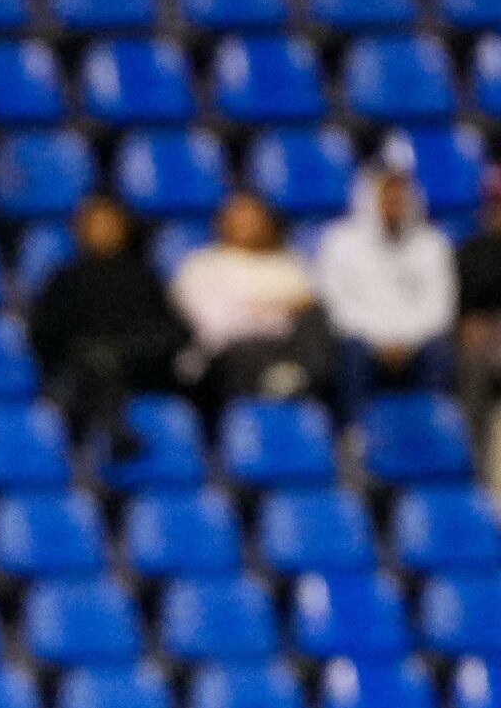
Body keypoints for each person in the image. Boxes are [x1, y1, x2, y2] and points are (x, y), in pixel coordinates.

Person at [30, 193, 190, 461]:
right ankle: (115, 432)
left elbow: (174, 331)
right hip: (79, 371)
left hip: (137, 367)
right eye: (95, 224)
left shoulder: (144, 277)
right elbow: (43, 335)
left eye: (109, 223)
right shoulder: (64, 279)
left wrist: (127, 350)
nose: (103, 231)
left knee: (108, 360)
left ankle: (115, 429)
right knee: (95, 363)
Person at [313, 149, 458, 417]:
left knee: (439, 350)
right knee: (350, 352)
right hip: (362, 341)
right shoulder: (339, 242)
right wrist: (380, 342)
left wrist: (406, 342)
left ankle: (432, 427)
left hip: (417, 343)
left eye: (399, 193)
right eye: (386, 194)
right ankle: (355, 431)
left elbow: (439, 308)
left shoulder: (433, 243)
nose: (394, 201)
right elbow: (337, 307)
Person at [170, 192, 333, 409]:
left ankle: (297, 380)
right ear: (222, 223)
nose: (249, 225)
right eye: (241, 219)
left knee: (317, 320)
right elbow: (215, 323)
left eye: (255, 219)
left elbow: (310, 306)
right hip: (232, 350)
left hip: (290, 347)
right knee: (242, 349)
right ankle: (283, 382)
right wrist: (281, 311)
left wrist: (266, 310)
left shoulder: (289, 263)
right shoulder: (202, 265)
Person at [452, 169, 501, 469]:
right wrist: (465, 322)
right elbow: (459, 306)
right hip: (484, 339)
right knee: (473, 363)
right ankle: (471, 464)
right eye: (496, 203)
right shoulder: (472, 252)